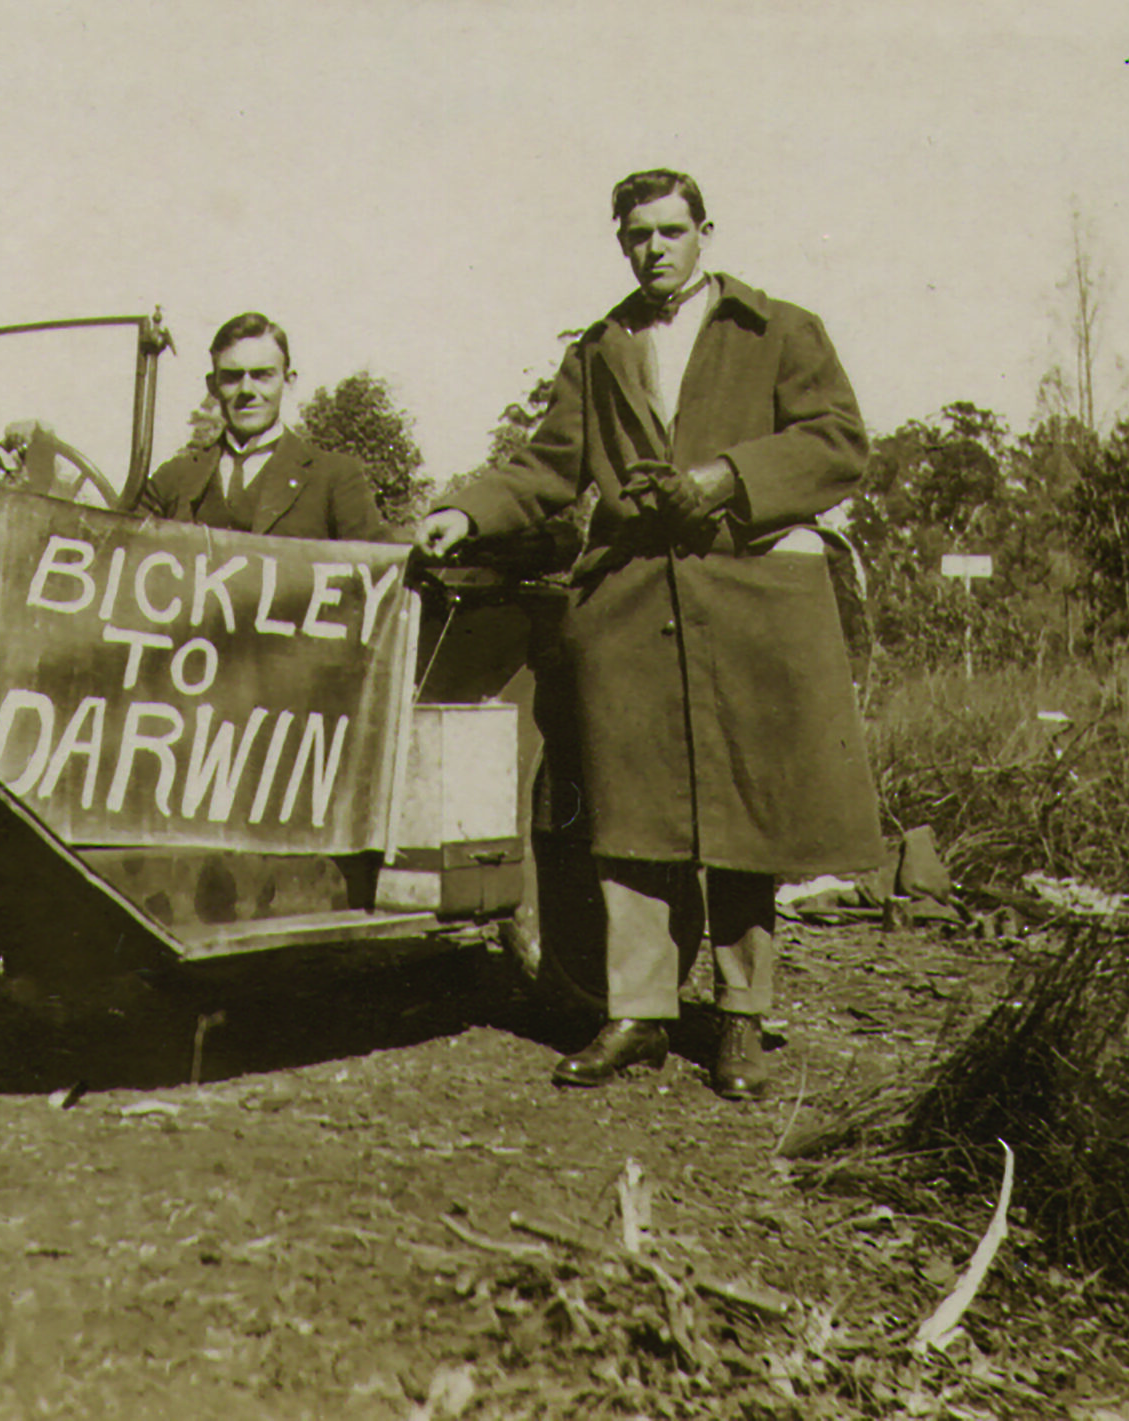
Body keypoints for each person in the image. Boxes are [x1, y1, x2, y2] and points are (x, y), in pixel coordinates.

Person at [417, 168, 883, 1100]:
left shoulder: (778, 329)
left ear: (706, 232)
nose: (656, 249)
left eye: (673, 231)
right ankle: (637, 1012)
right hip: (630, 602)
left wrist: (722, 479)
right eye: (638, 235)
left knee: (748, 815)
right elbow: (550, 465)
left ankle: (740, 1021)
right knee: (635, 814)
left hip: (748, 600)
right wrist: (466, 514)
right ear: (620, 242)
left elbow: (839, 442)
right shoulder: (600, 349)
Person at [129, 312, 387, 542]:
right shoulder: (172, 481)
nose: (247, 390)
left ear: (288, 382)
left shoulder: (336, 477)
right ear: (213, 385)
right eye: (232, 377)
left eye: (263, 375)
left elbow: (380, 562)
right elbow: (120, 551)